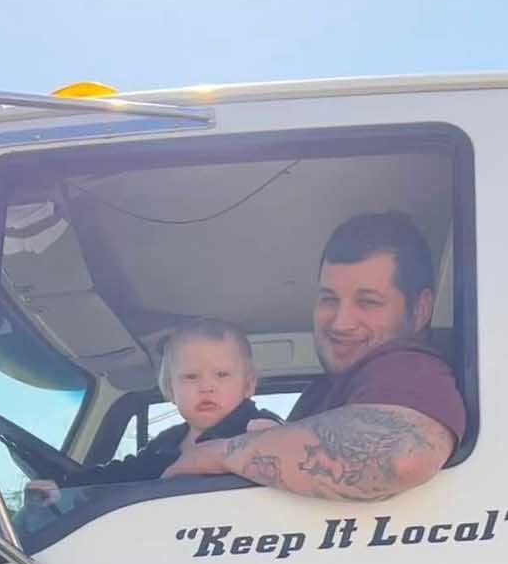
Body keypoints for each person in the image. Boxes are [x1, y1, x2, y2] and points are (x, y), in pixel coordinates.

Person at [164, 212, 465, 500]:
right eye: (328, 299)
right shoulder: (325, 390)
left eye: (368, 302)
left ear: (421, 309)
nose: (341, 322)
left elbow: (400, 457)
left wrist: (217, 454)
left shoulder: (410, 370)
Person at [24, 318, 280, 503]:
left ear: (248, 385)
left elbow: (288, 451)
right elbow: (121, 475)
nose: (206, 387)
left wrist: (269, 440)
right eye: (191, 377)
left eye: (222, 375)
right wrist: (66, 487)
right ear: (170, 389)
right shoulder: (166, 444)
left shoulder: (254, 426)